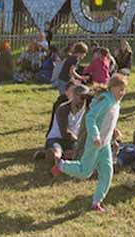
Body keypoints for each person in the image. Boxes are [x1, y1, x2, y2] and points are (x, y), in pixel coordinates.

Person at [52, 74, 127, 213]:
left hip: (104, 145)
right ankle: (61, 165)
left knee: (107, 172)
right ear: (112, 88)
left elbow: (107, 124)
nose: (123, 93)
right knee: (84, 172)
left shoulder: (115, 103)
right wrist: (95, 136)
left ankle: (96, 202)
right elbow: (91, 117)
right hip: (94, 143)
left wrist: (113, 139)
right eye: (120, 89)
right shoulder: (106, 101)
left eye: (124, 90)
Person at [38, 83, 90, 161]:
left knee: (79, 153)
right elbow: (64, 133)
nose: (84, 101)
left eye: (87, 99)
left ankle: (48, 154)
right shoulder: (63, 109)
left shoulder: (86, 110)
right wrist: (79, 140)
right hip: (57, 139)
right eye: (82, 97)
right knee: (58, 150)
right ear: (74, 96)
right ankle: (56, 155)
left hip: (72, 141)